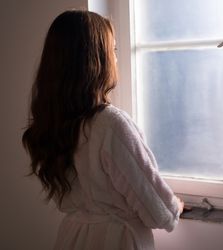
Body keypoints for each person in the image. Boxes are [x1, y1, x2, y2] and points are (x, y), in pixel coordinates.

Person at [22, 10, 184, 250]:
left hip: (72, 238)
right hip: (117, 242)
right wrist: (175, 207)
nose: (116, 59)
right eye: (113, 50)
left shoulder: (50, 123)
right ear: (95, 59)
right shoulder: (110, 125)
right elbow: (158, 211)